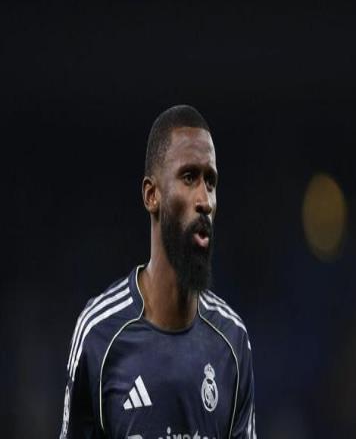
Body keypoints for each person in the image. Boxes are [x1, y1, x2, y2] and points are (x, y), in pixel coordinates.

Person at [60, 105, 256, 439]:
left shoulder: (232, 341)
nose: (205, 200)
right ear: (152, 196)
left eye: (210, 182)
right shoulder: (99, 333)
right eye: (189, 177)